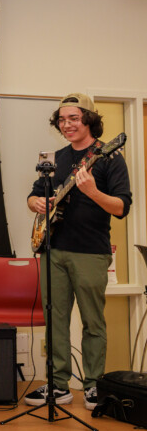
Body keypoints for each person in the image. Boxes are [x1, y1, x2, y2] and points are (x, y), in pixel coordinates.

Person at [25, 93, 131, 410]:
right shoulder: (56, 158)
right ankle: (58, 386)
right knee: (55, 320)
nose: (67, 124)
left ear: (89, 119)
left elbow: (122, 207)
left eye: (74, 117)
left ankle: (93, 386)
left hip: (90, 252)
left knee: (92, 322)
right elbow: (33, 196)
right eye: (62, 119)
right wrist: (37, 203)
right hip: (53, 249)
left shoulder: (109, 157)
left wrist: (92, 191)